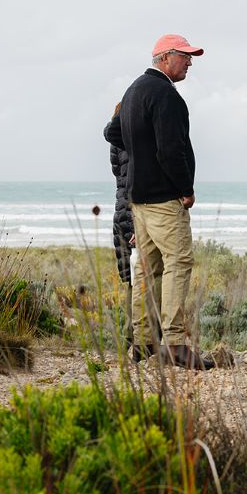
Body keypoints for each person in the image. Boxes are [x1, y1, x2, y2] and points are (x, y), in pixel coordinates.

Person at [105, 33, 212, 370]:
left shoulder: (133, 90)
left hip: (138, 198)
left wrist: (140, 151)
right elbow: (171, 150)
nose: (190, 62)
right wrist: (185, 189)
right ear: (166, 57)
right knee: (178, 262)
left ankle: (142, 343)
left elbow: (112, 132)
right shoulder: (166, 95)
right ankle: (176, 343)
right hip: (165, 199)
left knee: (147, 269)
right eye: (186, 56)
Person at [103, 102, 136, 350]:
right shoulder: (133, 142)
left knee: (130, 280)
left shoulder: (115, 143)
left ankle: (129, 338)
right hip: (133, 212)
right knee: (141, 279)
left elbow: (120, 177)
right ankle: (137, 338)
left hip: (119, 211)